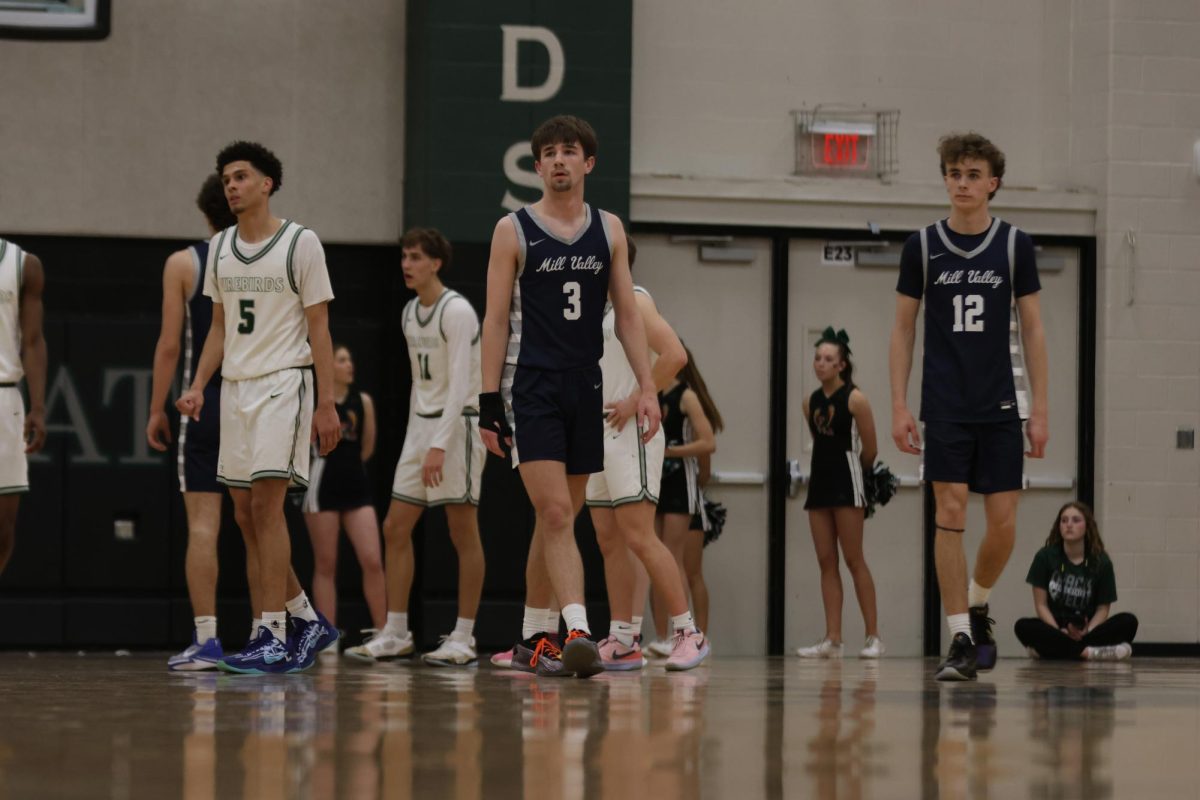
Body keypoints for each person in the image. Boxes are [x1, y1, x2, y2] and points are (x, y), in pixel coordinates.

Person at [478, 114, 660, 678]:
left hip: (587, 384)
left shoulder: (609, 229)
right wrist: (487, 401)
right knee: (556, 511)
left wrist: (648, 387)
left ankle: (534, 636)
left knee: (558, 515)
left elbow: (628, 315)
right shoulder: (512, 230)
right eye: (549, 153)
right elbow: (493, 321)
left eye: (569, 151)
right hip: (529, 383)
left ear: (589, 162)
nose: (559, 159)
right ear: (537, 166)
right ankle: (577, 629)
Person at [889, 132, 1049, 681]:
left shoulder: (1013, 245)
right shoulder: (922, 246)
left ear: (993, 183)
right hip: (945, 404)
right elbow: (903, 329)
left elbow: (1033, 329)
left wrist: (1042, 410)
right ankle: (959, 636)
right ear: (945, 179)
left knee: (1003, 525)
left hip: (1003, 401)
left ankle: (978, 602)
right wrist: (898, 405)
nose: (963, 183)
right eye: (955, 173)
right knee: (950, 513)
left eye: (973, 174)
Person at [177, 140, 340, 675]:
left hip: (283, 385)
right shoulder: (221, 248)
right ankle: (304, 618)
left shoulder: (301, 242)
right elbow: (219, 328)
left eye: (241, 176)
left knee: (267, 509)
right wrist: (200, 383)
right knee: (245, 516)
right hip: (235, 388)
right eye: (226, 178)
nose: (231, 185)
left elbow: (320, 328)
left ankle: (270, 631)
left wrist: (326, 405)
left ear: (267, 183)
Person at [345, 228, 487, 667]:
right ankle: (396, 630)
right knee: (394, 528)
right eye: (404, 257)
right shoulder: (410, 313)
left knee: (462, 531)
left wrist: (440, 445)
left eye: (415, 257)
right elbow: (419, 386)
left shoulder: (457, 311)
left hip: (458, 425)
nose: (407, 264)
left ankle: (464, 636)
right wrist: (417, 439)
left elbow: (462, 382)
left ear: (436, 263)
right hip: (422, 428)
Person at [586, 236, 709, 672]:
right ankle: (623, 639)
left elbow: (675, 355)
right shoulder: (592, 309)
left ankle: (687, 631)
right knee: (608, 540)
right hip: (597, 433)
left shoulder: (634, 300)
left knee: (640, 535)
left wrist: (638, 393)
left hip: (631, 431)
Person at [147, 174, 249, 671]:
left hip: (203, 403)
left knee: (204, 528)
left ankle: (208, 642)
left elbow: (170, 344)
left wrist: (155, 409)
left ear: (204, 212)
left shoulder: (184, 263)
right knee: (262, 526)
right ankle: (271, 633)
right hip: (253, 403)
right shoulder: (262, 257)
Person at [795, 328, 884, 659]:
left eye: (828, 359)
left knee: (853, 558)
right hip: (819, 482)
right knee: (826, 561)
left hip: (848, 482)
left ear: (842, 365)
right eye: (817, 358)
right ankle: (833, 638)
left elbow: (870, 449)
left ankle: (873, 636)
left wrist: (857, 476)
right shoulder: (810, 402)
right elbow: (820, 440)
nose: (820, 364)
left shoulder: (855, 399)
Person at [301, 343, 386, 639]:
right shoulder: (314, 402)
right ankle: (327, 635)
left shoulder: (362, 402)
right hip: (322, 486)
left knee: (373, 560)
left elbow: (367, 446)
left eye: (350, 359)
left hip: (356, 487)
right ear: (329, 366)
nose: (349, 365)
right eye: (342, 359)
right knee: (326, 564)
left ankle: (384, 632)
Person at [645, 344, 722, 658]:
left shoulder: (686, 396)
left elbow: (708, 442)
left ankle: (693, 634)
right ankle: (662, 635)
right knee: (655, 558)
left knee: (678, 560)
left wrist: (669, 451)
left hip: (681, 482)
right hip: (655, 481)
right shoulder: (648, 394)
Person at [1015, 501, 1136, 661]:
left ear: (1087, 526)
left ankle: (1051, 651)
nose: (1069, 525)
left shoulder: (1102, 561)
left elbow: (1102, 609)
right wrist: (1059, 631)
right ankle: (1088, 653)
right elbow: (1041, 605)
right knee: (1023, 626)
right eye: (1064, 520)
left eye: (1075, 520)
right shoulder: (1044, 557)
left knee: (1128, 621)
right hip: (1055, 627)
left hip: (1088, 627)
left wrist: (1088, 630)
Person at [0, 236, 46, 579]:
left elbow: (32, 340)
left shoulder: (23, 264)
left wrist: (38, 407)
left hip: (5, 399)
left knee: (3, 528)